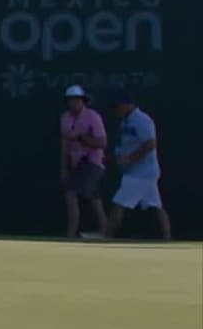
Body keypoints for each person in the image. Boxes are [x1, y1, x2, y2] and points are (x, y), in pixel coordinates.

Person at [104, 90, 172, 241]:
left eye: (118, 106)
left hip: (141, 173)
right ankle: (167, 238)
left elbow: (150, 143)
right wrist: (117, 157)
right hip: (140, 172)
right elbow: (126, 145)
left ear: (127, 104)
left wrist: (130, 158)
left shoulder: (142, 120)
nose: (116, 110)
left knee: (118, 203)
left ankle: (107, 237)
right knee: (156, 205)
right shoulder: (124, 122)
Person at [59, 85, 109, 239]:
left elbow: (102, 143)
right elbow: (65, 145)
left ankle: (70, 235)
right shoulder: (65, 118)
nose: (73, 103)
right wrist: (64, 169)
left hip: (92, 163)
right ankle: (107, 232)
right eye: (70, 100)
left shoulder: (93, 117)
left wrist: (81, 137)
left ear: (82, 101)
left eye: (76, 100)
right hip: (76, 165)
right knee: (94, 200)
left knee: (71, 194)